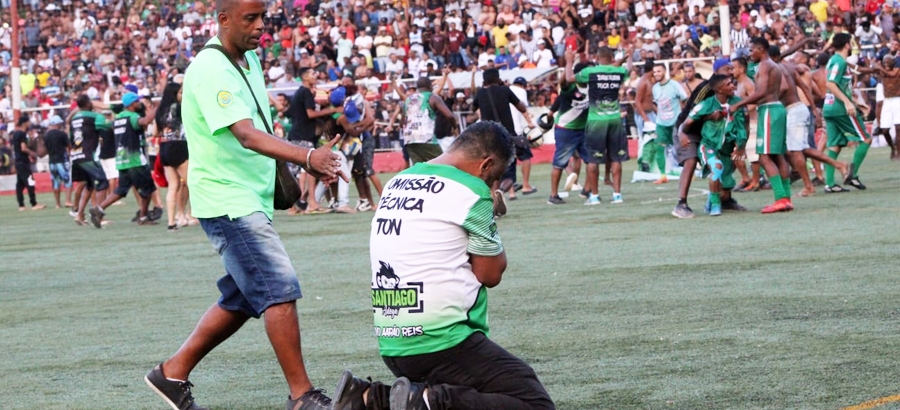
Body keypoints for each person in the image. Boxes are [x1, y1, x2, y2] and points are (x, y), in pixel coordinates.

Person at [142, 0, 345, 409]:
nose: (259, 27)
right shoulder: (211, 66)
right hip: (227, 198)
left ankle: (171, 373)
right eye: (250, 18)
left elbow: (261, 133)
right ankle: (302, 396)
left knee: (246, 295)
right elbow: (247, 135)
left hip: (246, 197)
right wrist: (308, 157)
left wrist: (308, 162)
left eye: (262, 18)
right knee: (279, 289)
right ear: (223, 19)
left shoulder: (248, 59)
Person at [327, 121, 556, 410]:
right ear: (486, 165)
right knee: (534, 403)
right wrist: (489, 209)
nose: (492, 185)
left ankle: (369, 398)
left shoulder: (399, 180)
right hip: (442, 341)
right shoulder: (472, 189)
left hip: (393, 340)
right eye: (494, 178)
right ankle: (426, 401)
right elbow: (490, 273)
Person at [672, 58, 747, 218]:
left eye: (731, 69)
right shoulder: (706, 89)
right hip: (689, 129)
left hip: (712, 133)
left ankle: (725, 200)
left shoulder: (731, 94)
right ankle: (681, 203)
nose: (731, 72)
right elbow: (693, 113)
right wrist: (682, 132)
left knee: (725, 169)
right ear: (716, 73)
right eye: (727, 69)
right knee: (691, 160)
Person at [731, 37, 793, 214]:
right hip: (776, 108)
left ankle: (780, 198)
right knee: (778, 156)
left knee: (764, 156)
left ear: (760, 49)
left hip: (769, 111)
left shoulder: (765, 65)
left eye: (752, 50)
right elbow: (780, 88)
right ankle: (786, 198)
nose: (750, 54)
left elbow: (763, 91)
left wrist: (739, 104)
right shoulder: (773, 65)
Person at [567, 47, 629, 205]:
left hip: (596, 120)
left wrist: (568, 61)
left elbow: (569, 78)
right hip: (615, 118)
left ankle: (594, 196)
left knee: (593, 160)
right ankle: (617, 195)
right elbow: (618, 68)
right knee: (615, 158)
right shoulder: (619, 71)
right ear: (612, 57)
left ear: (597, 56)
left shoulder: (590, 72)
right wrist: (625, 57)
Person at [89, 92, 160, 227]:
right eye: (137, 101)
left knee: (121, 190)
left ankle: (99, 209)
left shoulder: (118, 117)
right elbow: (144, 122)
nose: (139, 103)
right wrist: (158, 108)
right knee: (148, 189)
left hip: (122, 160)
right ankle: (144, 217)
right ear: (132, 104)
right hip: (135, 160)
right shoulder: (132, 117)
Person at [471, 68, 529, 216]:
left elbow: (473, 108)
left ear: (484, 81)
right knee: (509, 176)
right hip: (507, 136)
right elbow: (522, 107)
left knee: (492, 173)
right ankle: (501, 191)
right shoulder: (505, 90)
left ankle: (494, 204)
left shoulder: (481, 93)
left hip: (488, 138)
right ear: (498, 78)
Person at [288, 67, 343, 214]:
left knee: (293, 172)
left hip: (296, 134)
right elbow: (311, 114)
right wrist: (333, 110)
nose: (316, 75)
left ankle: (293, 207)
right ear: (305, 77)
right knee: (310, 166)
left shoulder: (299, 92)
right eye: (312, 73)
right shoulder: (305, 92)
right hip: (304, 135)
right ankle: (312, 203)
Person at [821, 33, 872, 193]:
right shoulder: (839, 61)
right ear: (847, 45)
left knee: (835, 145)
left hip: (829, 107)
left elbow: (840, 86)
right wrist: (848, 102)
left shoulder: (833, 60)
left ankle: (829, 183)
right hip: (839, 108)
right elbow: (830, 83)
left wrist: (857, 103)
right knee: (866, 139)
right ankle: (853, 175)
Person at [547, 62, 591, 205]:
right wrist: (569, 61)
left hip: (583, 130)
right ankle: (553, 195)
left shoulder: (592, 88)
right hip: (565, 129)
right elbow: (563, 82)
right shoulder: (570, 87)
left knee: (592, 160)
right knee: (559, 163)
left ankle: (588, 190)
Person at [391, 75, 456, 165]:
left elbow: (402, 124)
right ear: (430, 86)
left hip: (410, 140)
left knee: (421, 170)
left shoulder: (408, 100)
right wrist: (455, 126)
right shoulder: (432, 97)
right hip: (426, 139)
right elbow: (450, 116)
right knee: (444, 166)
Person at [156, 81, 194, 231]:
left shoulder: (160, 110)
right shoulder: (179, 107)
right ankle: (196, 214)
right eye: (180, 93)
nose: (182, 95)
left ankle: (171, 222)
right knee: (192, 181)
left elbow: (154, 132)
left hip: (164, 146)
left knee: (173, 186)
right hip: (178, 145)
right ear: (174, 94)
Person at [69, 94, 112, 225]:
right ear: (88, 104)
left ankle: (80, 215)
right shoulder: (94, 116)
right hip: (89, 156)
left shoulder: (74, 118)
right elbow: (109, 126)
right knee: (103, 182)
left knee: (89, 185)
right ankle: (99, 216)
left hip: (76, 155)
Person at [650, 63, 688, 184]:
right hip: (661, 123)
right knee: (659, 148)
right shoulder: (655, 88)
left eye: (659, 71)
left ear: (664, 71)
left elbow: (685, 99)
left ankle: (687, 172)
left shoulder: (674, 85)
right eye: (654, 72)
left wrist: (684, 117)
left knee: (681, 148)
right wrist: (658, 114)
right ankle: (662, 175)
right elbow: (656, 103)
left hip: (675, 122)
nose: (656, 74)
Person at [11, 115, 45, 211]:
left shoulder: (16, 134)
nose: (29, 123)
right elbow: (24, 148)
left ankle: (21, 205)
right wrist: (33, 154)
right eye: (28, 122)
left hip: (18, 161)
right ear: (24, 123)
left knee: (20, 184)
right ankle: (33, 203)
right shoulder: (21, 134)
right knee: (30, 181)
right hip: (23, 161)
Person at [43, 115, 73, 209]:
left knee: (55, 182)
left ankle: (57, 204)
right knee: (67, 180)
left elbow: (45, 148)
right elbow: (68, 146)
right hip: (62, 160)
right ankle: (68, 201)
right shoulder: (62, 134)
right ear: (58, 124)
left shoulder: (46, 135)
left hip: (52, 161)